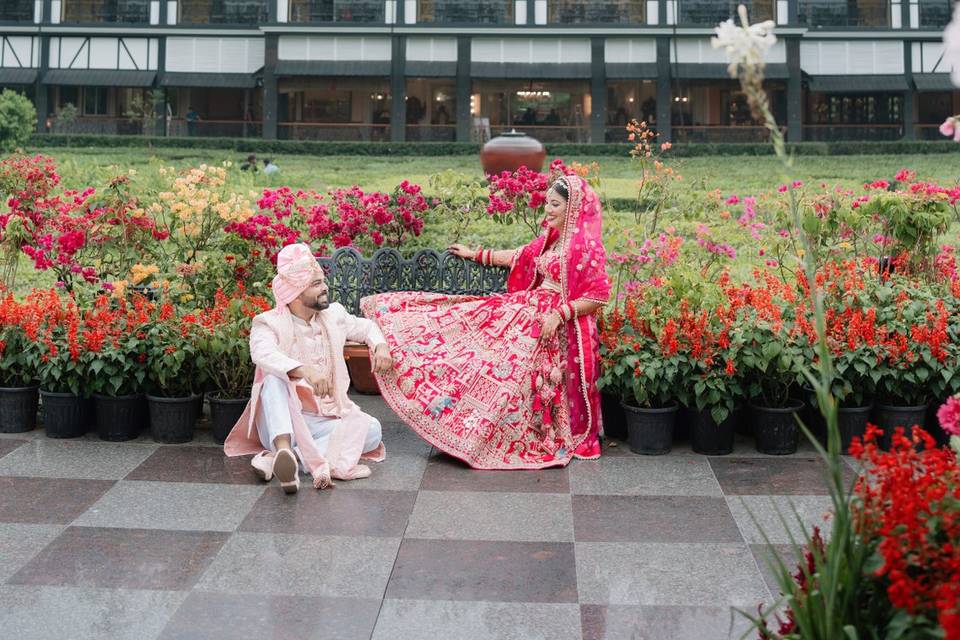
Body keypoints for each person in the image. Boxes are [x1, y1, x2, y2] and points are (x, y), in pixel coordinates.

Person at [361, 175, 610, 469]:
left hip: (556, 323)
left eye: (555, 205)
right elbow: (520, 256)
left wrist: (560, 314)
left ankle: (487, 431)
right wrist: (476, 254)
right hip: (530, 310)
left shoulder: (585, 247)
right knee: (468, 330)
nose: (548, 211)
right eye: (546, 204)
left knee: (507, 365)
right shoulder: (551, 241)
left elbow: (599, 296)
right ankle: (461, 422)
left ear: (573, 208)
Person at [224, 243, 394, 492]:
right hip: (282, 420)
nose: (325, 287)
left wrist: (380, 346)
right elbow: (262, 353)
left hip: (324, 419)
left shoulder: (333, 315)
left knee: (372, 430)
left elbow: (366, 328)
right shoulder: (267, 323)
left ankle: (283, 459)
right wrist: (306, 371)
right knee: (272, 379)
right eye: (316, 284)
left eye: (323, 281)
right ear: (295, 293)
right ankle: (283, 448)